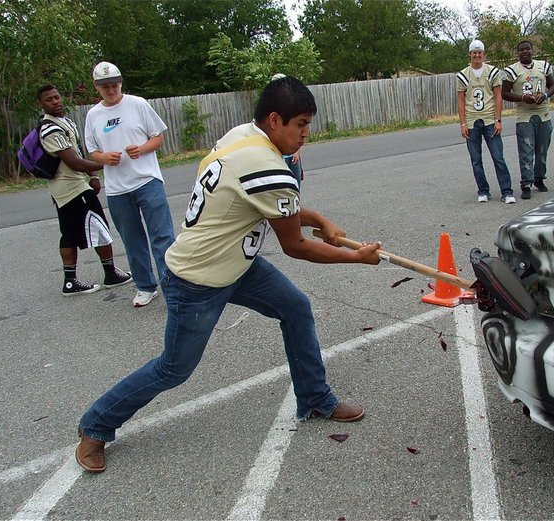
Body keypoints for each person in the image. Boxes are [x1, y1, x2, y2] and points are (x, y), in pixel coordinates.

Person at [75, 77, 382, 473]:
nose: (307, 134)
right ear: (275, 120)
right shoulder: (270, 168)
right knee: (174, 369)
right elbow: (296, 245)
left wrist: (320, 218)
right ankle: (96, 425)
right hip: (198, 277)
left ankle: (314, 398)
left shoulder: (242, 136)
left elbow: (269, 206)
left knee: (295, 308)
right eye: (301, 124)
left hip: (236, 263)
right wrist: (356, 257)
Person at [84, 61, 176, 308]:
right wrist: (104, 158)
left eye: (114, 84)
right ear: (97, 87)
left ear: (120, 83)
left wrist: (141, 149)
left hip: (147, 180)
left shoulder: (138, 104)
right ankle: (145, 286)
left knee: (162, 235)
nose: (110, 90)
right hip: (117, 188)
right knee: (132, 239)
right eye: (105, 86)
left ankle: (172, 286)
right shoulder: (93, 115)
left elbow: (158, 138)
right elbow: (92, 151)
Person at [36, 85, 132, 296]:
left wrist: (94, 176)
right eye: (49, 100)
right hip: (71, 188)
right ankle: (109, 273)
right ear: (41, 105)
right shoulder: (49, 129)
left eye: (57, 97)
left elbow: (79, 152)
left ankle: (71, 281)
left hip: (73, 185)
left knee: (70, 232)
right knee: (98, 226)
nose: (56, 101)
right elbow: (74, 162)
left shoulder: (66, 122)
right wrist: (105, 164)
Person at [457, 39, 516, 204]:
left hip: (490, 119)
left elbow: (498, 96)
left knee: (498, 156)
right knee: (476, 159)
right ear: (470, 54)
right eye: (474, 53)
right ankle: (483, 190)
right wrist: (462, 123)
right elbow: (461, 100)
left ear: (483, 54)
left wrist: (498, 119)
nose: (477, 55)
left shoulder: (492, 72)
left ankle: (507, 191)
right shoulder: (463, 75)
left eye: (479, 53)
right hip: (471, 121)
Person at [501, 40, 554, 200]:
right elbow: (505, 93)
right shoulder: (511, 70)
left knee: (542, 148)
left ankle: (539, 178)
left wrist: (544, 95)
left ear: (532, 50)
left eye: (527, 49)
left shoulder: (543, 66)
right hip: (524, 114)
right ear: (518, 53)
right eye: (521, 50)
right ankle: (526, 183)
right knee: (526, 150)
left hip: (543, 112)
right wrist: (523, 97)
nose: (525, 52)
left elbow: (553, 87)